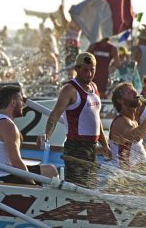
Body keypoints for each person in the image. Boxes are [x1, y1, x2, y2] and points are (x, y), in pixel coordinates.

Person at [44, 52, 111, 188]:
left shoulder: (94, 87)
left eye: (92, 70)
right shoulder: (69, 89)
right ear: (77, 69)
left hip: (91, 147)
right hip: (76, 146)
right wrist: (46, 135)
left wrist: (104, 145)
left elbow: (96, 121)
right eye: (85, 70)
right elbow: (55, 115)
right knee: (77, 187)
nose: (89, 74)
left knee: (90, 186)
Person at [0, 85, 58, 184]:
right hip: (2, 178)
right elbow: (16, 163)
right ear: (13, 103)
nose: (23, 105)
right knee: (51, 171)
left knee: (47, 169)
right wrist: (32, 184)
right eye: (21, 100)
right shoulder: (8, 125)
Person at [109, 82, 146, 170]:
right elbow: (136, 137)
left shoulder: (134, 121)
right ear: (120, 100)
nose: (136, 93)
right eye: (130, 92)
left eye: (135, 91)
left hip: (139, 172)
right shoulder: (119, 122)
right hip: (123, 177)